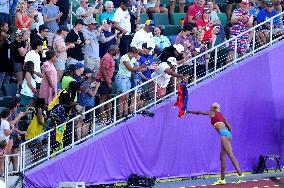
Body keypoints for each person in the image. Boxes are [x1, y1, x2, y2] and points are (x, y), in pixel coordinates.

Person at [187, 103, 244, 185]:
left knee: (230, 154)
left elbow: (199, 112)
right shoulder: (221, 115)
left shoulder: (211, 112)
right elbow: (230, 127)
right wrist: (228, 135)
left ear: (213, 108)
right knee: (222, 157)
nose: (209, 107)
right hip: (227, 134)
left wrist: (188, 111)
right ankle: (222, 179)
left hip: (223, 134)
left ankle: (240, 174)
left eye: (211, 106)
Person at [115, 47, 146, 119]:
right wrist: (141, 66)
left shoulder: (133, 58)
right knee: (122, 97)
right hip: (121, 78)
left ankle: (125, 114)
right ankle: (120, 115)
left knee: (126, 97)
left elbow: (137, 68)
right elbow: (131, 69)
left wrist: (145, 67)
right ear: (132, 52)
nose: (136, 56)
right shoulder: (124, 57)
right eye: (136, 54)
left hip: (127, 78)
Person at [96, 45, 120, 123]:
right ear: (112, 50)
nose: (118, 52)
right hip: (103, 81)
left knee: (109, 98)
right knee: (103, 99)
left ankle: (109, 118)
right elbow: (103, 70)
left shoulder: (111, 57)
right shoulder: (107, 57)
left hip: (108, 80)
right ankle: (101, 119)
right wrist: (108, 82)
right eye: (116, 51)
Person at [12, 29, 31, 94]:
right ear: (22, 35)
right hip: (17, 62)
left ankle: (22, 92)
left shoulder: (24, 42)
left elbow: (27, 52)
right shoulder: (18, 42)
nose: (28, 36)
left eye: (29, 35)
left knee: (23, 79)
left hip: (23, 62)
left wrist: (28, 45)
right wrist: (26, 46)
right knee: (20, 79)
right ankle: (18, 93)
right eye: (27, 35)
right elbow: (22, 54)